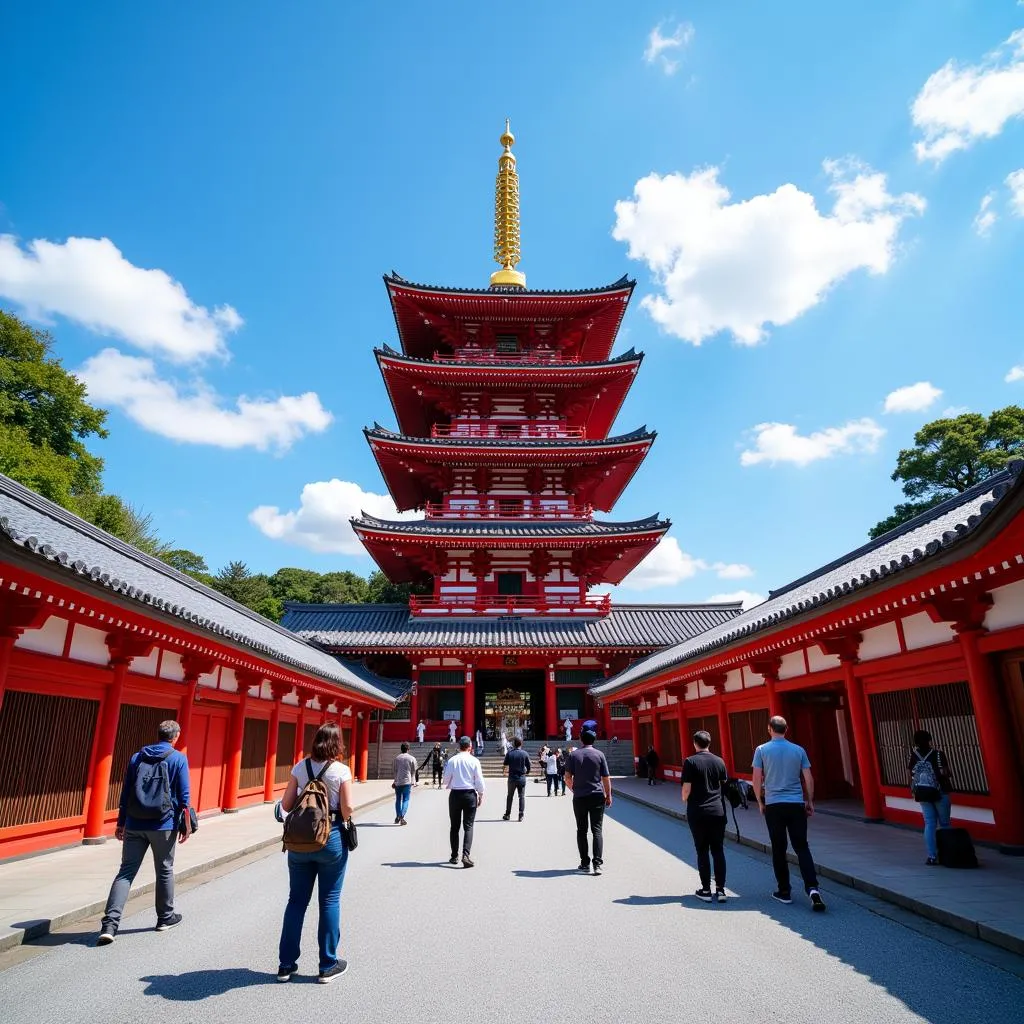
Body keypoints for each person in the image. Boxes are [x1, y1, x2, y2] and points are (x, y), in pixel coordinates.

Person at [97, 720, 191, 945]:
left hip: (135, 823)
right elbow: (184, 796)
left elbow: (126, 791)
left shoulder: (136, 757)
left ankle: (110, 924)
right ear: (175, 736)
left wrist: (121, 823)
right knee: (165, 870)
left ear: (158, 734)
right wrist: (186, 825)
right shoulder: (178, 758)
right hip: (163, 824)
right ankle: (165, 918)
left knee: (126, 872)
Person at [277, 722, 353, 983]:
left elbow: (286, 805)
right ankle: (327, 964)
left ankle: (286, 965)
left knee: (296, 901)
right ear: (337, 743)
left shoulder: (300, 767)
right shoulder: (341, 770)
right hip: (330, 838)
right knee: (329, 900)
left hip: (299, 842)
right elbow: (347, 808)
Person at [752, 715, 826, 912]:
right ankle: (813, 889)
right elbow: (808, 778)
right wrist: (809, 801)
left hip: (774, 804)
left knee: (779, 847)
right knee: (802, 846)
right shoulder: (798, 750)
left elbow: (757, 778)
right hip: (795, 803)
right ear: (786, 729)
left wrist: (760, 801)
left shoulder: (761, 750)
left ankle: (784, 891)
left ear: (769, 728)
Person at [681, 730, 728, 903]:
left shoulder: (690, 762)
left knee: (702, 850)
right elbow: (724, 785)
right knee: (718, 850)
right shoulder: (719, 761)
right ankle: (721, 890)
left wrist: (684, 798)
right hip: (717, 810)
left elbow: (686, 789)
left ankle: (706, 889)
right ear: (709, 743)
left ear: (695, 743)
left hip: (698, 811)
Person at [565, 729, 611, 875]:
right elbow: (606, 778)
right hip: (597, 796)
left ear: (581, 739)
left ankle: (585, 863)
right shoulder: (600, 755)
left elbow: (567, 777)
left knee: (582, 830)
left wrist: (574, 789)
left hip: (580, 797)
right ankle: (597, 864)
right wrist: (608, 795)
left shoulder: (573, 755)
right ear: (594, 740)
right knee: (597, 829)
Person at [908, 730, 953, 865]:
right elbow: (945, 772)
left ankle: (932, 856)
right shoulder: (938, 754)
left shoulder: (913, 755)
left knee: (929, 823)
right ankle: (947, 854)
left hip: (922, 792)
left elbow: (910, 773)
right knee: (944, 824)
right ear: (929, 739)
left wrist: (913, 789)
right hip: (940, 791)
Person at [443, 736, 485, 867]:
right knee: (468, 826)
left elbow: (445, 780)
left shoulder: (452, 760)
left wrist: (452, 783)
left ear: (459, 746)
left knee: (454, 827)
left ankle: (454, 856)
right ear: (470, 747)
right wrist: (480, 794)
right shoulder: (474, 761)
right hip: (469, 794)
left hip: (455, 794)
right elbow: (479, 780)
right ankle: (466, 855)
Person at [502, 736, 531, 821]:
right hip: (521, 778)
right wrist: (527, 772)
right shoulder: (525, 753)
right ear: (521, 744)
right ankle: (521, 815)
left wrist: (504, 772)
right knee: (521, 796)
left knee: (510, 796)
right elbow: (529, 766)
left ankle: (507, 814)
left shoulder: (509, 753)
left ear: (513, 744)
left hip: (512, 778)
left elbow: (505, 764)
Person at [392, 741, 418, 825]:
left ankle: (398, 815)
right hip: (407, 782)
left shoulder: (397, 758)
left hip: (398, 781)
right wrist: (414, 781)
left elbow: (395, 771)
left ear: (401, 749)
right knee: (406, 799)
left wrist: (394, 781)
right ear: (408, 749)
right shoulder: (412, 758)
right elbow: (414, 771)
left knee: (398, 799)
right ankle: (402, 816)